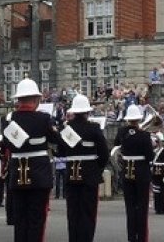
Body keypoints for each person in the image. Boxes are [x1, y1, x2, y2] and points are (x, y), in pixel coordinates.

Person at [2, 78, 59, 242]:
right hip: (39, 174)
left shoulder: (8, 119)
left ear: (18, 100)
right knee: (36, 220)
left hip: (18, 173)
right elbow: (56, 140)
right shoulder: (43, 118)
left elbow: (7, 144)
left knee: (20, 220)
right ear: (35, 100)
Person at [58, 95, 109, 242]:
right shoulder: (94, 128)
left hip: (71, 174)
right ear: (87, 111)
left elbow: (61, 152)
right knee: (88, 212)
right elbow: (104, 154)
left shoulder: (67, 129)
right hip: (89, 175)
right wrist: (96, 169)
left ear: (73, 112)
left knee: (73, 213)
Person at [113, 105, 153, 242]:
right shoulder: (144, 134)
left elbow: (116, 144)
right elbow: (150, 156)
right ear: (138, 119)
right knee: (142, 206)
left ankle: (131, 237)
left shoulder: (121, 132)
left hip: (127, 171)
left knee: (129, 206)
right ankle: (141, 237)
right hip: (141, 171)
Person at [150, 133, 164, 215]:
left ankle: (160, 208)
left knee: (161, 191)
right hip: (161, 172)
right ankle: (159, 208)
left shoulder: (160, 151)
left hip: (160, 172)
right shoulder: (157, 151)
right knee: (158, 191)